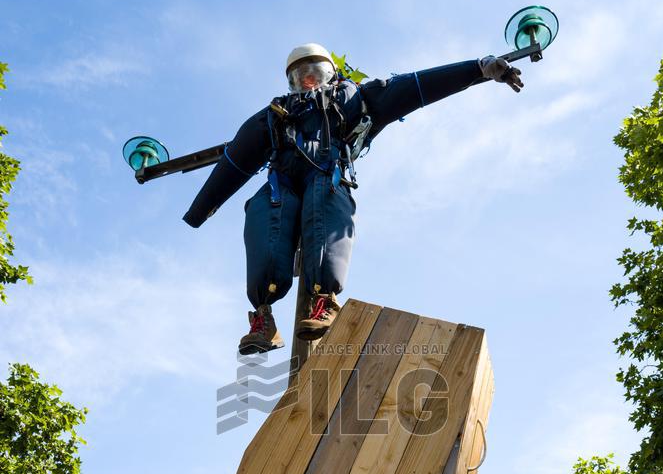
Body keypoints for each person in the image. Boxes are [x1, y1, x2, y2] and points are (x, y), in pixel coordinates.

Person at [183, 43, 523, 354]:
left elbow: (415, 87)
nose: (308, 81)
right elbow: (236, 160)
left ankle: (325, 299)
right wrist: (198, 212)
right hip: (282, 181)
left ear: (330, 74)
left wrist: (478, 68)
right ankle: (263, 316)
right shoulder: (275, 114)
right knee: (262, 210)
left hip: (326, 174)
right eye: (300, 76)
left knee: (324, 201)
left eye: (315, 73)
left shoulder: (354, 99)